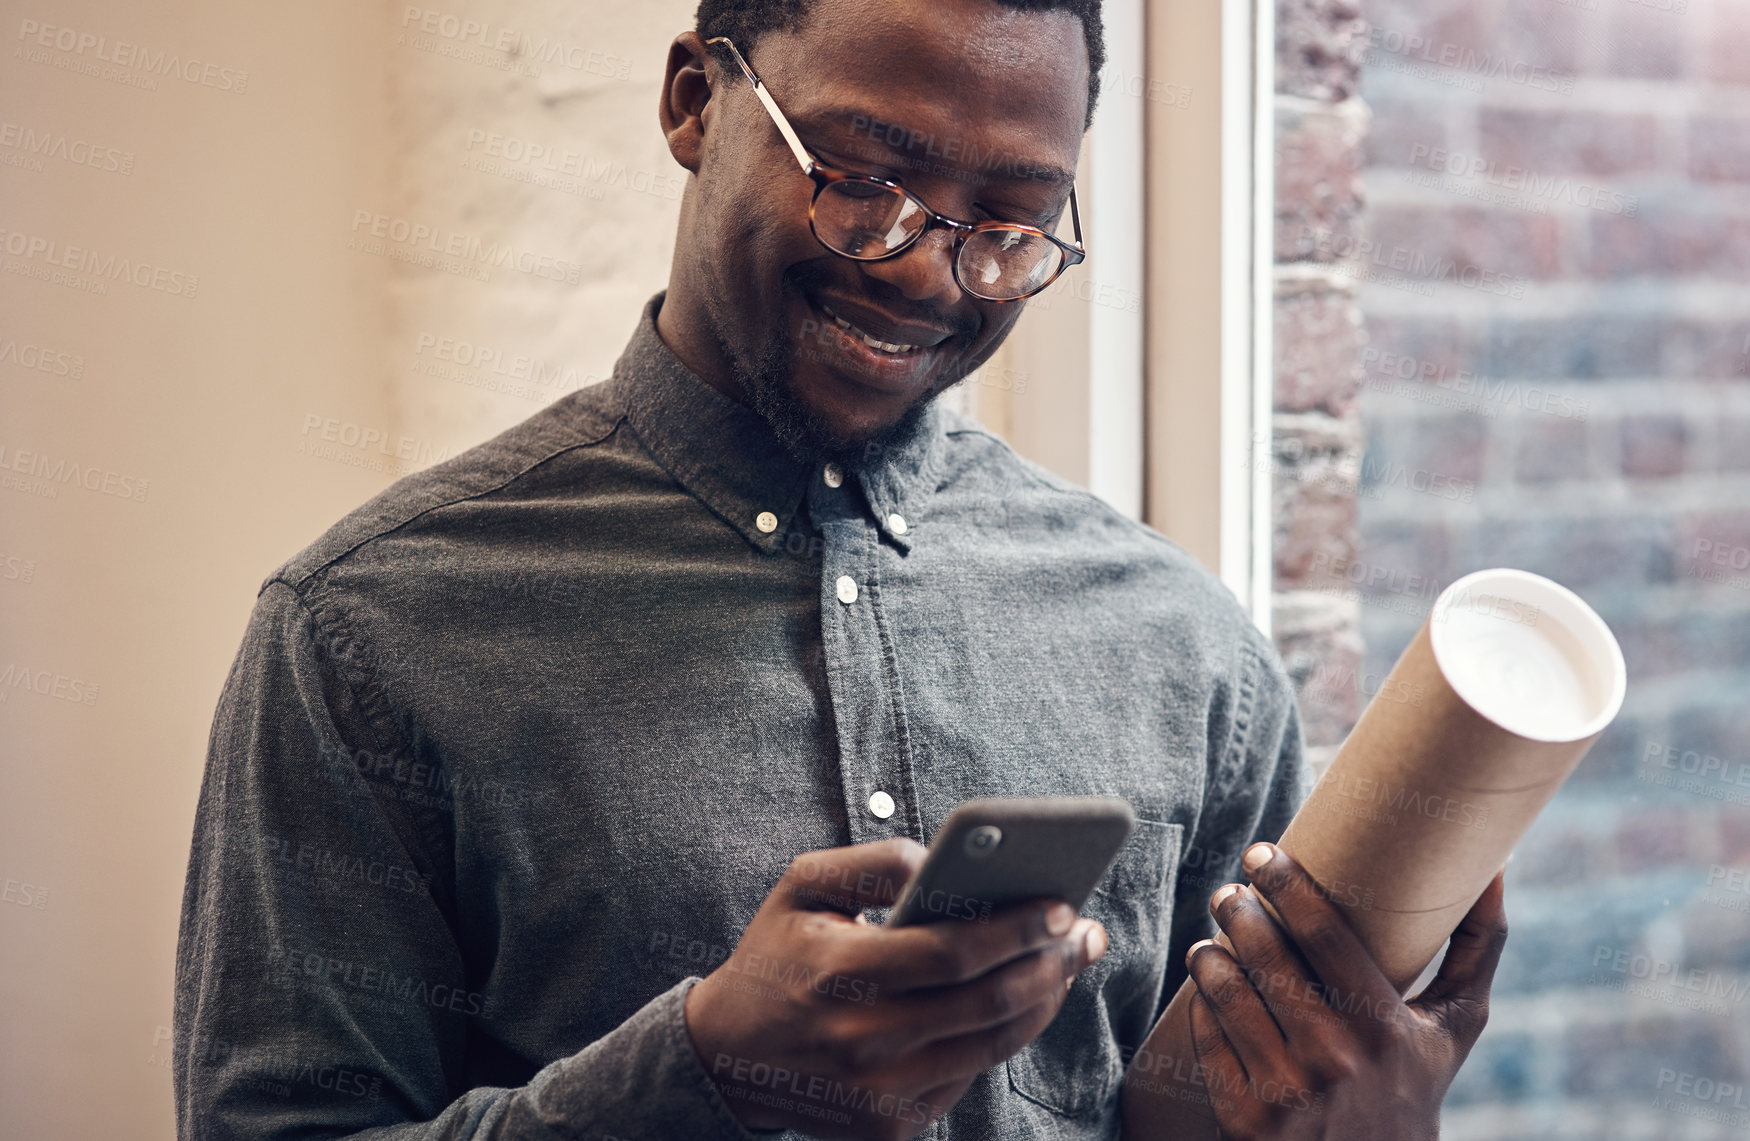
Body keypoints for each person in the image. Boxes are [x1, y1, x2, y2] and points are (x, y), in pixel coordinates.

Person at [174, 1, 1508, 1137]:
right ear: (696, 101)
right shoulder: (366, 632)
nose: (928, 270)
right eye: (863, 179)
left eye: (1010, 222)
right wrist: (692, 1073)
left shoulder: (1187, 650)